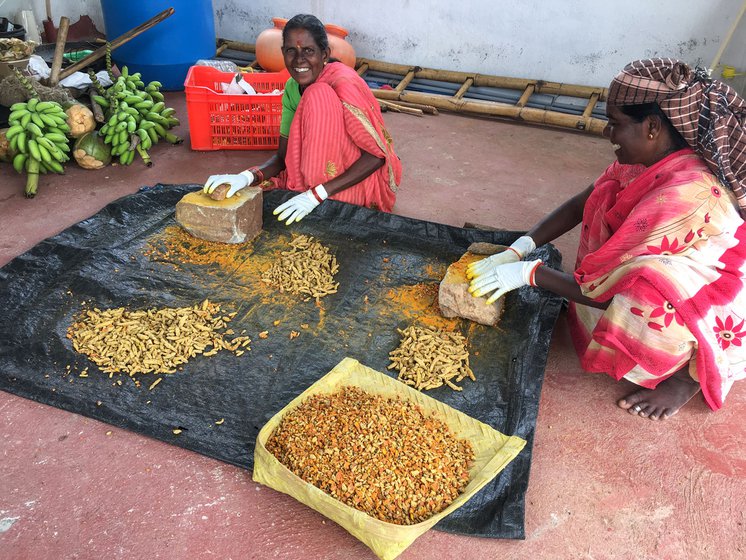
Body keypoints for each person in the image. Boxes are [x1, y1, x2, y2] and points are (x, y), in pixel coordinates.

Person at [468, 58, 746, 420]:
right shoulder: (646, 160)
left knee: (642, 293)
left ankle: (685, 375)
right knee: (606, 200)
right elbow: (580, 204)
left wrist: (529, 274)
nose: (607, 134)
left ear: (652, 127)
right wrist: (519, 247)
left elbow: (614, 292)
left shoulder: (685, 195)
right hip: (665, 272)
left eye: (615, 124)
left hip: (710, 300)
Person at [203, 13, 402, 224]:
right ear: (283, 53)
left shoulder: (343, 82)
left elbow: (376, 156)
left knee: (317, 94)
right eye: (291, 51)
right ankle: (310, 190)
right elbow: (283, 156)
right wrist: (246, 177)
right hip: (311, 178)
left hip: (355, 182)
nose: (299, 60)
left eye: (308, 51)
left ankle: (319, 195)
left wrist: (315, 195)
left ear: (324, 54)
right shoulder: (291, 87)